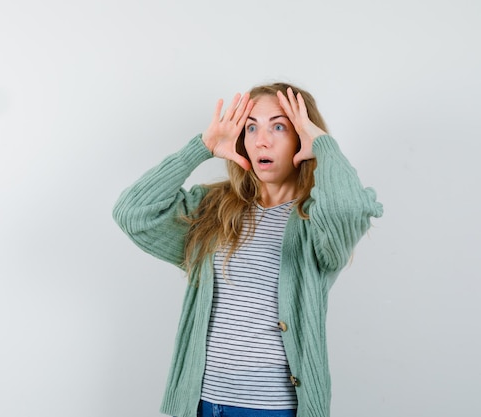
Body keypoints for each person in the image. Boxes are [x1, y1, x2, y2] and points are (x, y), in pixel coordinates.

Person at [112, 82, 383, 417]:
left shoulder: (318, 220)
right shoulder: (214, 207)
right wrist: (200, 148)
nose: (261, 140)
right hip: (204, 403)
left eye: (279, 126)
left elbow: (349, 210)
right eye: (251, 126)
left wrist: (325, 147)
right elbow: (133, 214)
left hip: (272, 408)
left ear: (303, 135)